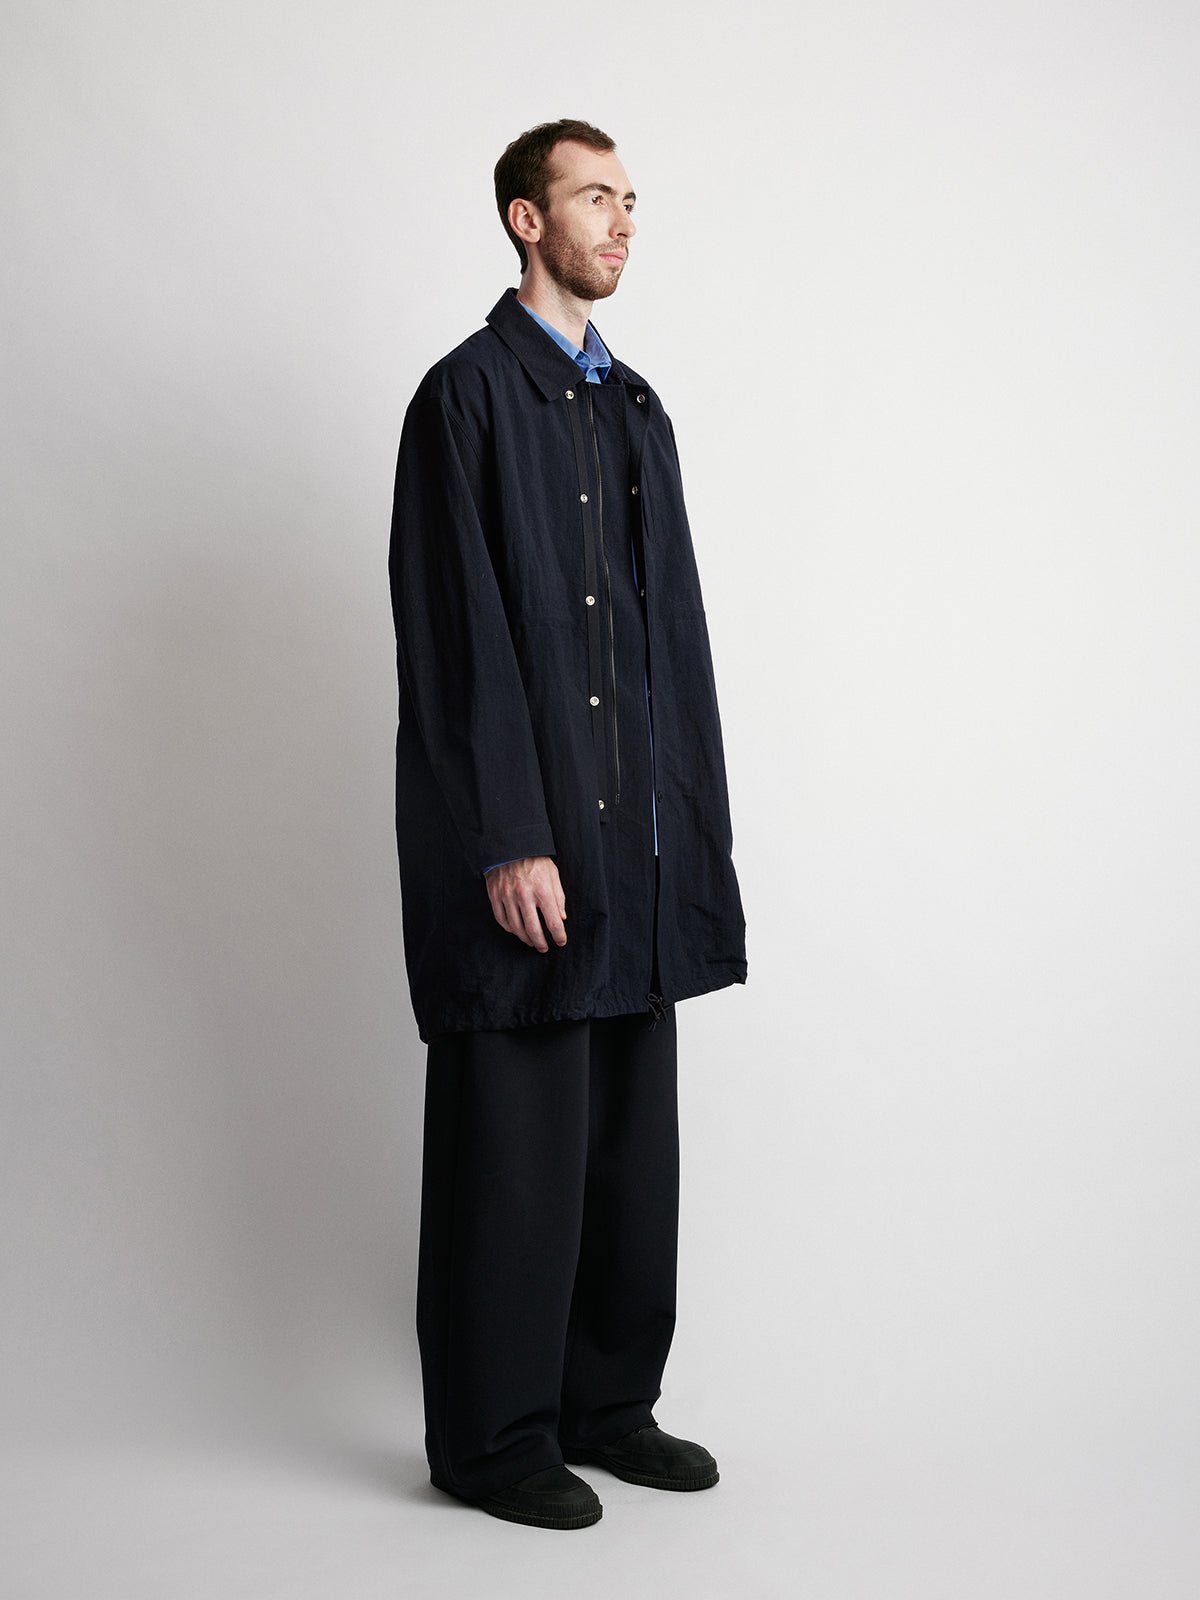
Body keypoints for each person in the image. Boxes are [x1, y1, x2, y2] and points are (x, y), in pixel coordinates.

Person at [388, 119, 746, 1530]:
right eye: (597, 196)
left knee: (627, 1155)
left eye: (631, 198)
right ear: (527, 220)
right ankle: (494, 1441)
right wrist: (507, 836)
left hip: (635, 849)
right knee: (515, 1156)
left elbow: (672, 644)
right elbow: (457, 636)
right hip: (531, 846)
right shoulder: (464, 397)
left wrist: (685, 834)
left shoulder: (635, 408)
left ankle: (610, 1407)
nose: (624, 221)